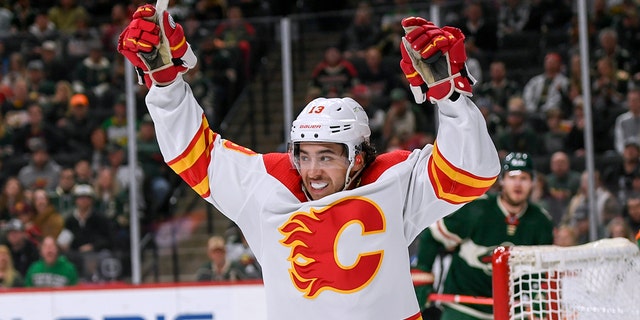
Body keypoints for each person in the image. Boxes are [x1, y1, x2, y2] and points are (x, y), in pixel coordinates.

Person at [118, 9, 500, 319]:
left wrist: (451, 98)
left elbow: (473, 171)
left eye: (328, 156)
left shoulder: (393, 180)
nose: (312, 170)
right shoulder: (266, 185)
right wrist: (165, 85)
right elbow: (192, 153)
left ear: (358, 158)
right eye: (304, 155)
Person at [413, 152, 553, 319]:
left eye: (524, 178)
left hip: (511, 310)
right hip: (463, 308)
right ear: (502, 181)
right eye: (512, 177)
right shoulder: (477, 209)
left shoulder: (541, 221)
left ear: (532, 183)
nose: (518, 184)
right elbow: (433, 236)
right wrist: (422, 276)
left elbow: (542, 269)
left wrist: (538, 300)